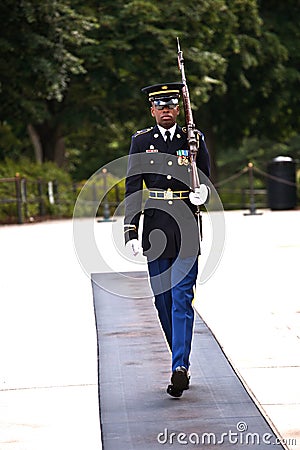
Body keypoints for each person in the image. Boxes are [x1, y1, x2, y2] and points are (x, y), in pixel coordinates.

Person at [124, 82, 210, 397]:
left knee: (181, 298)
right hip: (156, 226)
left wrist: (203, 194)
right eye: (159, 106)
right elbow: (133, 187)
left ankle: (179, 367)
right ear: (152, 110)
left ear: (178, 108)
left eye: (171, 106)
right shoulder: (141, 141)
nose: (165, 111)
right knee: (162, 301)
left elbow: (206, 180)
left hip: (187, 224)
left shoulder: (194, 139)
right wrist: (131, 230)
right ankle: (180, 354)